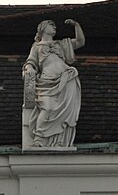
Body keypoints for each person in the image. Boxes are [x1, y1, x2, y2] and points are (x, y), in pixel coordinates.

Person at [22, 19, 85, 148]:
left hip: (66, 78)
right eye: (51, 25)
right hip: (46, 81)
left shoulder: (61, 44)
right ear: (43, 28)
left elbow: (80, 42)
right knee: (47, 108)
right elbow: (31, 62)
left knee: (65, 112)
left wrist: (77, 26)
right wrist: (29, 69)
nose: (54, 27)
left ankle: (59, 141)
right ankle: (39, 138)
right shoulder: (37, 47)